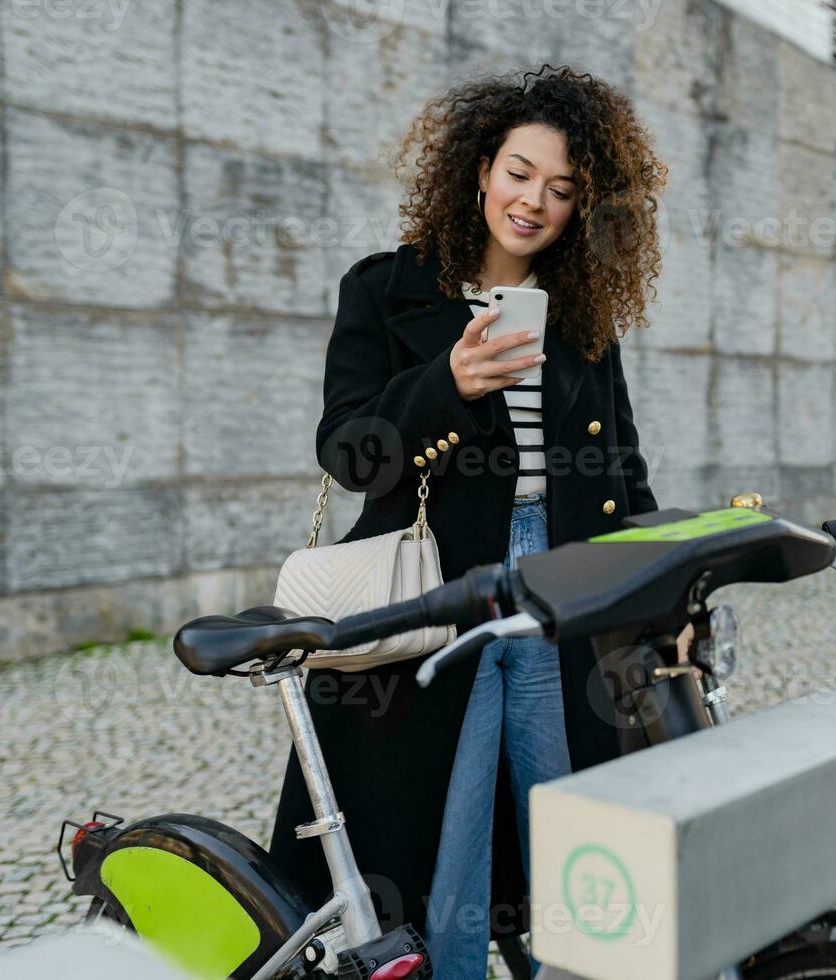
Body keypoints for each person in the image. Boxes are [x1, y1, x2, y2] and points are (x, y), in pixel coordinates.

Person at [268, 66, 669, 979]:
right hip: (439, 579)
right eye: (521, 172)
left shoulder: (583, 315)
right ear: (482, 167)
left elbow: (624, 467)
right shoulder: (384, 289)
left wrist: (655, 581)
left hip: (558, 582)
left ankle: (581, 959)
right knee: (440, 811)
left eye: (563, 190)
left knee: (566, 794)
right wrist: (445, 385)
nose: (534, 201)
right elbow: (348, 452)